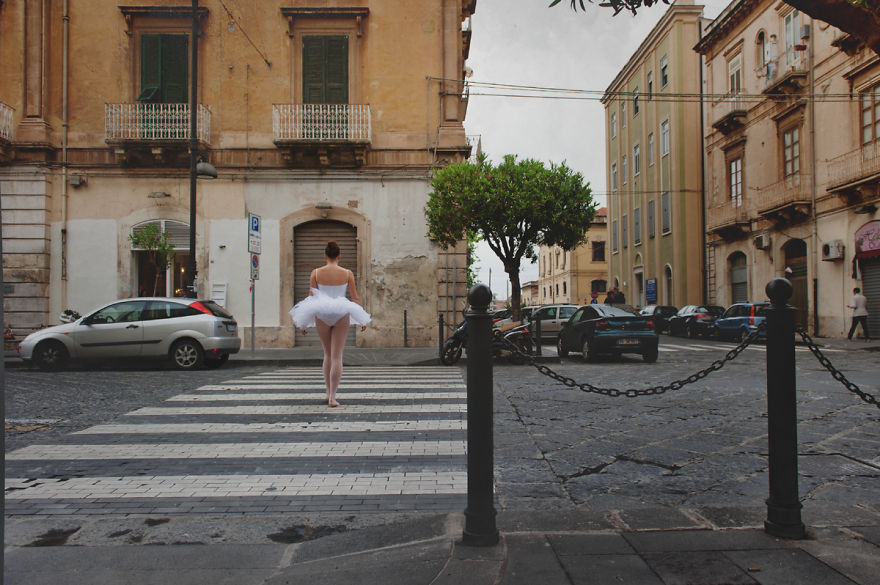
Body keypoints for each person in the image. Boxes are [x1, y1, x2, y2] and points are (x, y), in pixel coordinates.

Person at [289, 241, 371, 406]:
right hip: (341, 312)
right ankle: (333, 396)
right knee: (337, 356)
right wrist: (362, 317)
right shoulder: (347, 273)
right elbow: (354, 297)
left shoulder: (316, 273)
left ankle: (327, 392)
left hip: (322, 312)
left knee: (327, 354)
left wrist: (303, 323)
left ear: (325, 255)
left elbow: (311, 298)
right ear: (339, 256)